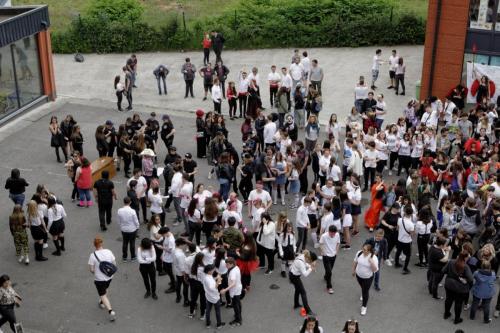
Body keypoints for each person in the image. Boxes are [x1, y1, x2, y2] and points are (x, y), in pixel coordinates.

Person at [88, 236, 116, 322]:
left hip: (99, 279)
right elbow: (114, 263)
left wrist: (95, 272)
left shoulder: (92, 256)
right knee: (106, 288)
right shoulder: (108, 251)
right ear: (101, 243)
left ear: (94, 245)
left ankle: (110, 311)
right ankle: (101, 302)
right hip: (109, 277)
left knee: (102, 294)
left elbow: (91, 270)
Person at [442, 251, 473, 324]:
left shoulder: (451, 262)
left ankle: (446, 314)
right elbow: (471, 279)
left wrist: (451, 274)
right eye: (468, 257)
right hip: (460, 288)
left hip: (449, 284)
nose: (468, 258)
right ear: (465, 258)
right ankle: (457, 319)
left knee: (448, 299)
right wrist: (464, 280)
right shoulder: (465, 266)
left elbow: (443, 270)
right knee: (458, 303)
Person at [353, 243, 379, 316]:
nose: (363, 250)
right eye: (363, 248)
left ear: (369, 251)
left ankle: (364, 307)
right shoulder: (359, 253)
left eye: (365, 250)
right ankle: (363, 292)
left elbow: (375, 270)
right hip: (359, 276)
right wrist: (353, 270)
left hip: (368, 278)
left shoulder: (373, 258)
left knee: (365, 292)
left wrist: (372, 263)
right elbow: (355, 261)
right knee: (363, 288)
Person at [289, 250, 318, 316]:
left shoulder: (303, 256)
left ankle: (296, 304)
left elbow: (305, 263)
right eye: (310, 261)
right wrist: (311, 268)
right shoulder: (300, 262)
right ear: (309, 258)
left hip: (293, 275)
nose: (310, 262)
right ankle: (308, 310)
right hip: (294, 277)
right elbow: (305, 274)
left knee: (297, 290)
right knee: (303, 292)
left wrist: (310, 266)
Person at [220, 257, 242, 327]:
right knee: (238, 303)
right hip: (238, 289)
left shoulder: (232, 272)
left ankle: (238, 320)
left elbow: (233, 283)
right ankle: (238, 315)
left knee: (235, 305)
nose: (226, 266)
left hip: (235, 290)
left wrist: (225, 290)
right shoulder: (236, 267)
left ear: (231, 264)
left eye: (227, 264)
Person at [203, 264, 225, 329]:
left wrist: (216, 278)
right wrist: (218, 281)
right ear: (209, 271)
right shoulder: (208, 279)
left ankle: (208, 323)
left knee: (208, 310)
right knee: (217, 311)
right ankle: (219, 324)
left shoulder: (206, 276)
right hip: (214, 297)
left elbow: (210, 282)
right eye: (213, 270)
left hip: (208, 296)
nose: (214, 271)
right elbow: (213, 288)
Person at [117, 196, 140, 261]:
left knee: (125, 243)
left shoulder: (119, 210)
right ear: (130, 202)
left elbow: (118, 221)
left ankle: (124, 257)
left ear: (124, 202)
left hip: (124, 229)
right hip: (132, 229)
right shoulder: (132, 211)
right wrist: (137, 227)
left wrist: (121, 226)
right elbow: (136, 221)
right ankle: (133, 256)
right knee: (132, 243)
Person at [319, 225, 340, 294]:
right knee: (329, 272)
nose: (333, 235)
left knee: (329, 270)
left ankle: (326, 276)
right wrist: (324, 252)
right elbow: (321, 243)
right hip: (326, 256)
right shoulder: (324, 236)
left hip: (333, 255)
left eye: (334, 233)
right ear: (329, 231)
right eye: (332, 233)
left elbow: (338, 243)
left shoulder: (337, 235)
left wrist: (336, 252)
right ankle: (329, 287)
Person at [394, 205, 415, 274]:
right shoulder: (411, 224)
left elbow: (397, 229)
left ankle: (396, 263)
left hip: (400, 239)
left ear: (405, 212)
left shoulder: (400, 219)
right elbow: (412, 235)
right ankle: (405, 268)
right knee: (408, 255)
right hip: (407, 241)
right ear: (411, 214)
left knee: (398, 252)